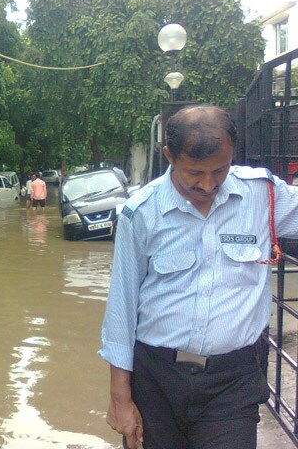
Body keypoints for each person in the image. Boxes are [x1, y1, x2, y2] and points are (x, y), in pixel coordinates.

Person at [99, 105, 298, 449]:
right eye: (194, 173)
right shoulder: (141, 213)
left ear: (232, 155)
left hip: (233, 381)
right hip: (157, 379)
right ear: (169, 156)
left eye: (219, 170)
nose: (207, 184)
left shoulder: (263, 195)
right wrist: (121, 397)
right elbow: (122, 306)